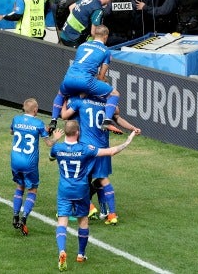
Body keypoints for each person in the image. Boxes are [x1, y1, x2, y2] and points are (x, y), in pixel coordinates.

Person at [50, 120, 139, 271]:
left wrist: (55, 139)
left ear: (65, 132)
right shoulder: (85, 149)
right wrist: (128, 140)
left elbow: (52, 157)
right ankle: (80, 254)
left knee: (62, 222)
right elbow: (111, 152)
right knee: (83, 221)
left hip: (64, 190)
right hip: (81, 190)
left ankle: (62, 251)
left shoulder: (57, 148)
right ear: (78, 132)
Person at [62, 95, 141, 224]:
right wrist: (132, 128)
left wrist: (63, 100)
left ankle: (88, 207)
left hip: (87, 146)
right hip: (103, 145)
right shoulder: (107, 104)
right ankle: (111, 214)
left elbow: (64, 116)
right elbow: (117, 114)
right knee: (102, 178)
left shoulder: (80, 102)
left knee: (81, 178)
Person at [50, 25, 121, 132]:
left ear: (94, 34)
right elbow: (101, 76)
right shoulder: (106, 51)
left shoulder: (82, 45)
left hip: (69, 77)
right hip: (85, 81)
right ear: (106, 37)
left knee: (61, 94)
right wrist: (103, 80)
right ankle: (107, 121)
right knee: (115, 94)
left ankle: (53, 120)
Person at [7, 98, 61, 235]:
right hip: (29, 163)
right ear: (35, 110)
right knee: (32, 190)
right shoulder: (38, 123)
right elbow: (48, 143)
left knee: (19, 187)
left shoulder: (16, 119)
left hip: (15, 160)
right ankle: (24, 218)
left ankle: (15, 216)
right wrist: (55, 137)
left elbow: (11, 132)